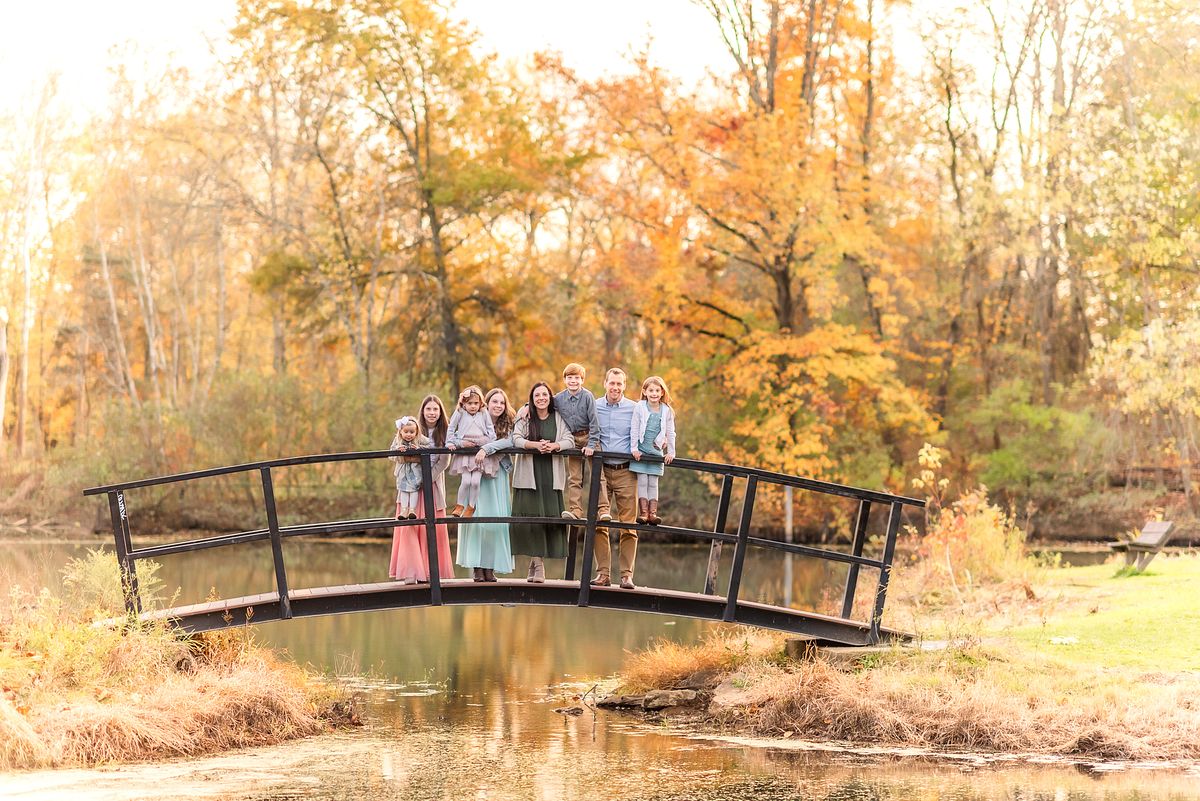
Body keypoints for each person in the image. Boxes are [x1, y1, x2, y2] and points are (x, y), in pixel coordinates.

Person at [509, 381, 574, 582]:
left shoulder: (558, 418)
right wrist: (535, 445)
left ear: (550, 397)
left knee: (547, 519)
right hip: (529, 475)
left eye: (544, 394)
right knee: (531, 519)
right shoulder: (526, 417)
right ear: (532, 398)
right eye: (537, 395)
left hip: (550, 475)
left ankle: (535, 563)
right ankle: (538, 566)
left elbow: (570, 440)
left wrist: (554, 446)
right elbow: (515, 438)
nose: (541, 398)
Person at [388, 394, 455, 584]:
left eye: (435, 409)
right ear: (422, 411)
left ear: (440, 412)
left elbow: (444, 462)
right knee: (410, 524)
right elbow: (396, 453)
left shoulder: (446, 432)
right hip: (410, 486)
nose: (432, 413)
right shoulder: (411, 429)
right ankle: (410, 571)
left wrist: (425, 478)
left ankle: (427, 571)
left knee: (429, 528)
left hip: (431, 484)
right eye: (428, 409)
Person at [457, 388, 516, 582]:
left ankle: (490, 567)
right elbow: (459, 437)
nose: (498, 406)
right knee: (477, 519)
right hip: (476, 473)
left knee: (494, 521)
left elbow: (510, 441)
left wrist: (486, 448)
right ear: (486, 403)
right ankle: (477, 567)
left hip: (497, 476)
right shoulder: (473, 418)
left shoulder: (508, 423)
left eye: (502, 402)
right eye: (494, 402)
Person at [592, 368, 639, 589]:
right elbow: (563, 408)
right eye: (612, 383)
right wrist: (527, 409)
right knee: (599, 523)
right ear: (605, 383)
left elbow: (658, 417)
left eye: (619, 384)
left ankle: (626, 575)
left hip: (626, 472)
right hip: (600, 471)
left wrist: (664, 441)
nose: (615, 387)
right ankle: (603, 574)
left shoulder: (634, 409)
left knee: (628, 525)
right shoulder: (594, 406)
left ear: (624, 386)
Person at [555, 363, 602, 521]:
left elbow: (595, 423)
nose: (573, 381)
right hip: (572, 439)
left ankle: (603, 509)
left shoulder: (588, 396)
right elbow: (543, 403)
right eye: (570, 378)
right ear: (564, 380)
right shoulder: (559, 398)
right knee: (574, 477)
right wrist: (528, 406)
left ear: (582, 380)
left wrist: (591, 445)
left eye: (577, 378)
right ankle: (576, 510)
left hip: (590, 436)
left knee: (598, 475)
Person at [630, 376, 677, 526]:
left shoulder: (667, 410)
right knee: (643, 481)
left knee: (653, 484)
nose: (654, 393)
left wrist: (671, 452)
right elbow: (634, 428)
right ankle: (643, 513)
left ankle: (653, 513)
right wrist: (634, 449)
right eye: (651, 390)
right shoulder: (640, 406)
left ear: (662, 392)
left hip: (656, 452)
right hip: (641, 451)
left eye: (657, 390)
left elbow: (671, 432)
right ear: (645, 391)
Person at [446, 385, 498, 517]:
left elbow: (491, 433)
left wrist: (484, 443)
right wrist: (454, 443)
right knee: (466, 481)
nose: (473, 406)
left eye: (476, 403)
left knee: (475, 482)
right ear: (464, 403)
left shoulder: (483, 413)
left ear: (480, 403)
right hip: (465, 453)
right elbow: (451, 429)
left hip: (479, 454)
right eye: (470, 403)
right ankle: (459, 506)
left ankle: (471, 507)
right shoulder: (460, 412)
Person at [390, 416, 428, 520]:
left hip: (415, 472)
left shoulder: (420, 439)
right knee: (403, 490)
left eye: (412, 432)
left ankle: (412, 510)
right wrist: (398, 450)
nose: (408, 434)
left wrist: (419, 449)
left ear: (416, 432)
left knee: (414, 490)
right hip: (402, 472)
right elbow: (391, 454)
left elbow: (430, 445)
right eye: (406, 432)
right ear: (400, 431)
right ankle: (404, 510)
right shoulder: (397, 441)